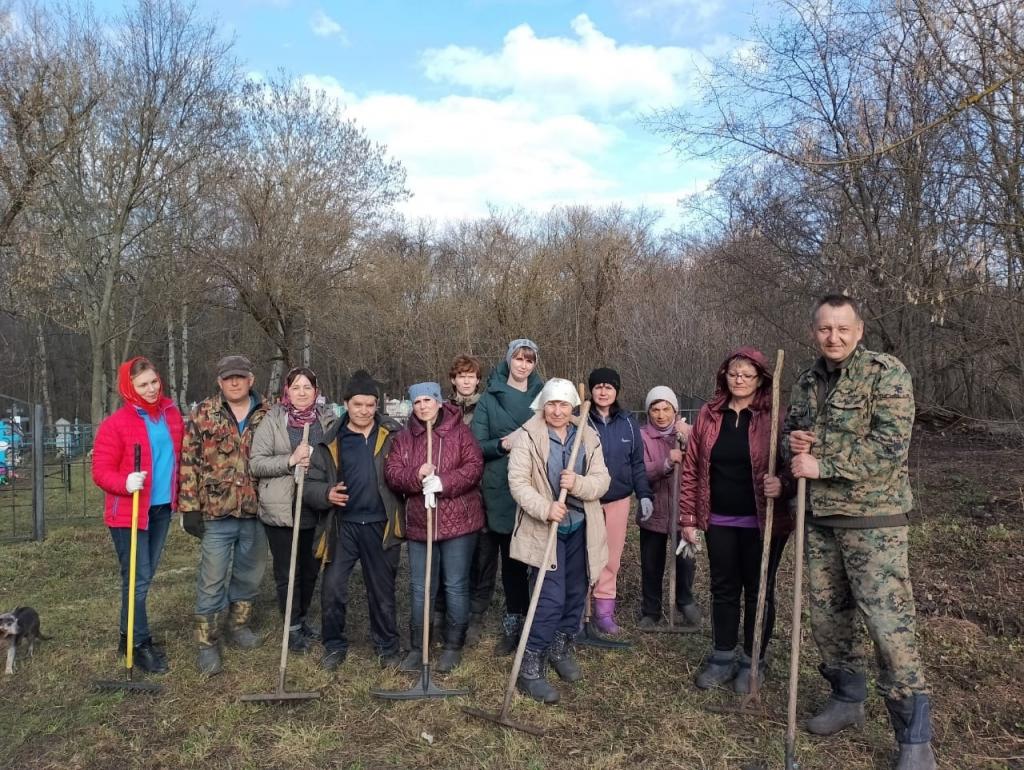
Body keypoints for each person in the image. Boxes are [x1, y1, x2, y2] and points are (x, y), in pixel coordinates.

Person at [785, 295, 935, 770]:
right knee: (829, 620)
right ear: (815, 332)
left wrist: (822, 462)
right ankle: (846, 699)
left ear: (859, 330)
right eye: (825, 329)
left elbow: (890, 445)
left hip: (874, 523)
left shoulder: (886, 374)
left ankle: (915, 739)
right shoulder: (807, 381)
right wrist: (797, 443)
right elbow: (798, 430)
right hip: (821, 520)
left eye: (842, 328)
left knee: (890, 628)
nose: (834, 337)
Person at [678, 348, 793, 693]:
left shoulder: (776, 416)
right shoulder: (710, 415)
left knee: (760, 591)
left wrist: (783, 483)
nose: (739, 379)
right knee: (723, 588)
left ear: (761, 379)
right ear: (723, 376)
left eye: (747, 374)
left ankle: (754, 659)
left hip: (764, 519)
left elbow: (794, 462)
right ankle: (722, 656)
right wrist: (687, 515)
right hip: (719, 519)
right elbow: (692, 468)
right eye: (733, 373)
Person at [507, 378, 610, 703]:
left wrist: (576, 483)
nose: (557, 410)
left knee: (576, 594)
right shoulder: (528, 436)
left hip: (580, 526)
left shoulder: (587, 435)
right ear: (543, 405)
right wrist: (545, 507)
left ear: (572, 406)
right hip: (545, 530)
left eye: (563, 404)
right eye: (551, 404)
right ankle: (531, 665)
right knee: (549, 598)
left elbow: (602, 480)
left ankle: (560, 648)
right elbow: (518, 482)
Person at [303, 370, 405, 671]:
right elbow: (309, 486)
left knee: (382, 590)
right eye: (358, 404)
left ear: (377, 405)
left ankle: (387, 646)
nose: (364, 411)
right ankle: (334, 645)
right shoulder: (330, 439)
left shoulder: (393, 434)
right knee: (333, 587)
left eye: (370, 405)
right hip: (342, 526)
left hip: (380, 525)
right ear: (346, 403)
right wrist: (326, 493)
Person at [92, 356, 184, 674]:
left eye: (154, 381)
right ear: (128, 388)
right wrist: (124, 482)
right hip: (128, 513)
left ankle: (126, 635)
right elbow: (100, 471)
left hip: (160, 509)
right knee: (139, 580)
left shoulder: (172, 415)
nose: (150, 389)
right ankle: (139, 642)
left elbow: (177, 459)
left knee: (142, 578)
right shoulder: (116, 424)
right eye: (142, 384)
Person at [178, 355, 269, 675]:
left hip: (256, 510)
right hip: (216, 512)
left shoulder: (267, 414)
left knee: (250, 574)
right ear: (219, 382)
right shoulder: (203, 413)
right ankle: (206, 642)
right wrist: (189, 508)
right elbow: (189, 460)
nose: (234, 382)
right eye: (228, 378)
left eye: (240, 377)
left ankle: (238, 625)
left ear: (250, 379)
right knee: (212, 579)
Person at [385, 382, 484, 672]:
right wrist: (416, 475)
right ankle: (419, 646)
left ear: (440, 402)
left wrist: (443, 482)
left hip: (458, 522)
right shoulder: (404, 437)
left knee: (454, 585)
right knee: (420, 587)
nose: (423, 406)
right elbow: (392, 473)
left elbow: (474, 467)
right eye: (417, 402)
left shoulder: (459, 432)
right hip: (420, 522)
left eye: (429, 400)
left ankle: (453, 645)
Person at [249, 366, 334, 654]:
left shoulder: (326, 419)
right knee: (288, 572)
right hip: (282, 507)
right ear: (287, 391)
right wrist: (290, 460)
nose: (301, 393)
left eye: (307, 387)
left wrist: (318, 457)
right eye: (296, 387)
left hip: (317, 506)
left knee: (311, 569)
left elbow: (337, 456)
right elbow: (257, 463)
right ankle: (292, 626)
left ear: (316, 392)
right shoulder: (273, 420)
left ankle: (302, 617)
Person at [471, 339, 544, 655]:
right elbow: (476, 446)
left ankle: (538, 623)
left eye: (529, 360)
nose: (523, 364)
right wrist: (503, 444)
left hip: (538, 486)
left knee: (537, 559)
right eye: (518, 358)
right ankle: (514, 624)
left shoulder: (543, 397)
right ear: (509, 361)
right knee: (512, 561)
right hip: (501, 488)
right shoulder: (490, 398)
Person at [585, 367, 654, 634]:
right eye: (598, 386)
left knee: (611, 557)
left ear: (616, 391)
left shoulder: (628, 423)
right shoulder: (580, 421)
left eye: (609, 387)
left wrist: (644, 494)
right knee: (584, 555)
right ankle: (579, 610)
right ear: (591, 390)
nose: (603, 391)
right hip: (587, 500)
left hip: (618, 500)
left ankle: (603, 611)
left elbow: (637, 463)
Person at [432, 354, 491, 647]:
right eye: (461, 376)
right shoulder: (442, 409)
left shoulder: (488, 406)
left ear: (478, 380)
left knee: (481, 554)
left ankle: (475, 613)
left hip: (482, 489)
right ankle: (442, 610)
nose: (466, 381)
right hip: (450, 491)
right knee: (449, 554)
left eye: (472, 376)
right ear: (453, 380)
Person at [637, 386, 696, 630]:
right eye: (655, 409)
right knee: (651, 563)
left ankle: (685, 601)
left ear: (675, 410)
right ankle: (651, 611)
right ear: (649, 411)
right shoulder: (641, 436)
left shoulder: (689, 434)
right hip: (653, 510)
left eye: (666, 409)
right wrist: (665, 462)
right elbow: (639, 471)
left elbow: (701, 464)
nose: (661, 415)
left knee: (686, 561)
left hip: (684, 510)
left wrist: (689, 438)